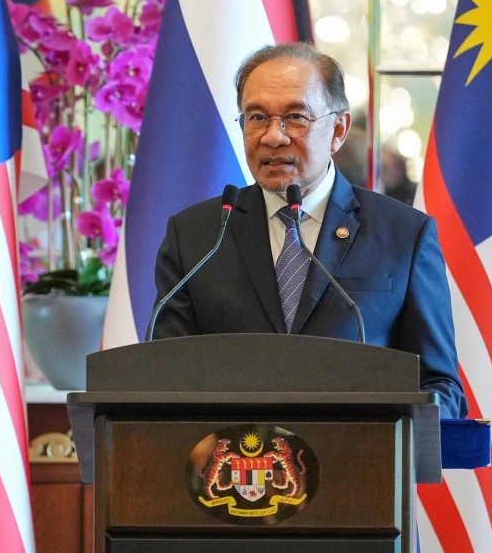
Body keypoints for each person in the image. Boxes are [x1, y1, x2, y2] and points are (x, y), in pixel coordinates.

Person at [152, 43, 466, 418]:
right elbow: (162, 378)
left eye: (295, 117)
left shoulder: (403, 235)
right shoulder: (197, 236)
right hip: (232, 470)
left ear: (338, 129)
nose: (273, 137)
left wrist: (389, 429)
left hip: (363, 468)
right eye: (256, 118)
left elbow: (440, 386)